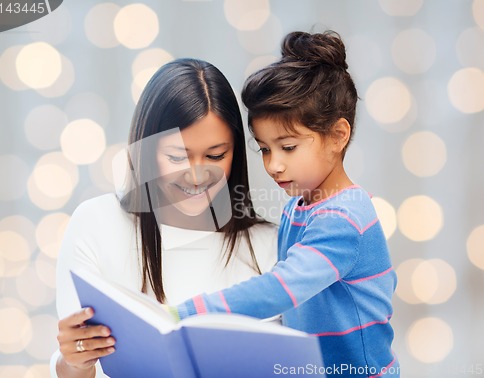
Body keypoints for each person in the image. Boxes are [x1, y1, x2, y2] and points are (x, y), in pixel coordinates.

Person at [168, 31, 400, 377]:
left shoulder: (345, 217)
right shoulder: (301, 206)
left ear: (338, 135)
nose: (273, 164)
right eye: (264, 148)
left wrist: (184, 314)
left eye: (288, 147)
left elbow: (282, 289)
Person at [50, 58, 278, 378]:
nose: (197, 176)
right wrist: (72, 363)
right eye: (176, 156)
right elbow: (81, 368)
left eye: (216, 155)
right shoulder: (96, 224)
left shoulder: (269, 246)